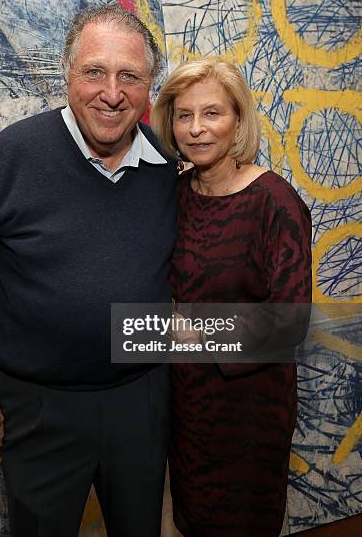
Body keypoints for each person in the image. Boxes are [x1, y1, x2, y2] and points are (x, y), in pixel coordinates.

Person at [0, 4, 177, 537]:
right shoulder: (12, 156)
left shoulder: (168, 165)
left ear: (148, 86)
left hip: (141, 401)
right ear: (67, 74)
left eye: (129, 76)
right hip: (39, 409)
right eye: (95, 72)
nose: (111, 94)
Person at [151, 59, 312, 537]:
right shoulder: (177, 194)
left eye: (212, 114)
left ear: (238, 120)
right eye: (184, 116)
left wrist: (195, 334)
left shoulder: (275, 204)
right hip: (185, 404)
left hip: (249, 412)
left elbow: (288, 324)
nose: (197, 129)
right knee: (189, 518)